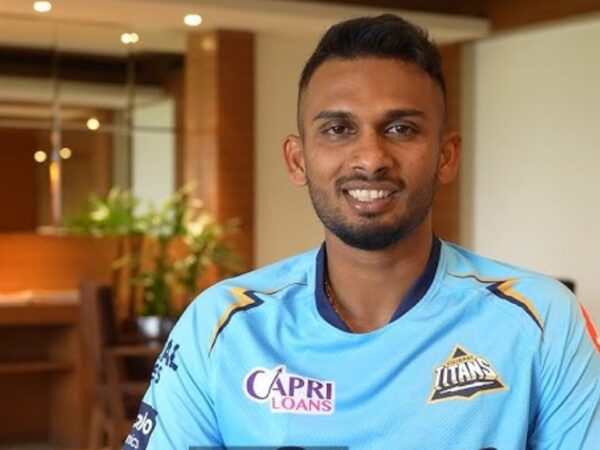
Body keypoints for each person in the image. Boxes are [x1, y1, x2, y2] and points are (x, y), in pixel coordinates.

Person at [123, 14, 600, 450]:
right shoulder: (221, 327)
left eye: (400, 129)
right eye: (338, 129)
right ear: (297, 159)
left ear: (446, 155)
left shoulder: (540, 321)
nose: (371, 158)